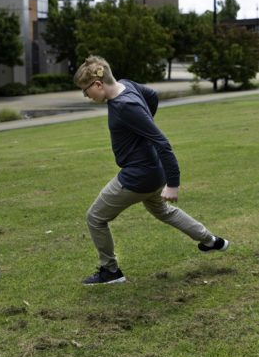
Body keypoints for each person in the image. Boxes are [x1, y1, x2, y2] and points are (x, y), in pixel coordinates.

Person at [73, 55, 229, 285]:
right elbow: (152, 96)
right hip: (152, 172)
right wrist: (143, 124)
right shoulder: (128, 85)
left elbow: (162, 143)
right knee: (163, 211)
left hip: (138, 176)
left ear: (97, 84)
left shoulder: (125, 106)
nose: (86, 96)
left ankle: (110, 271)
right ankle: (210, 240)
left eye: (86, 91)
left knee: (95, 217)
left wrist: (173, 184)